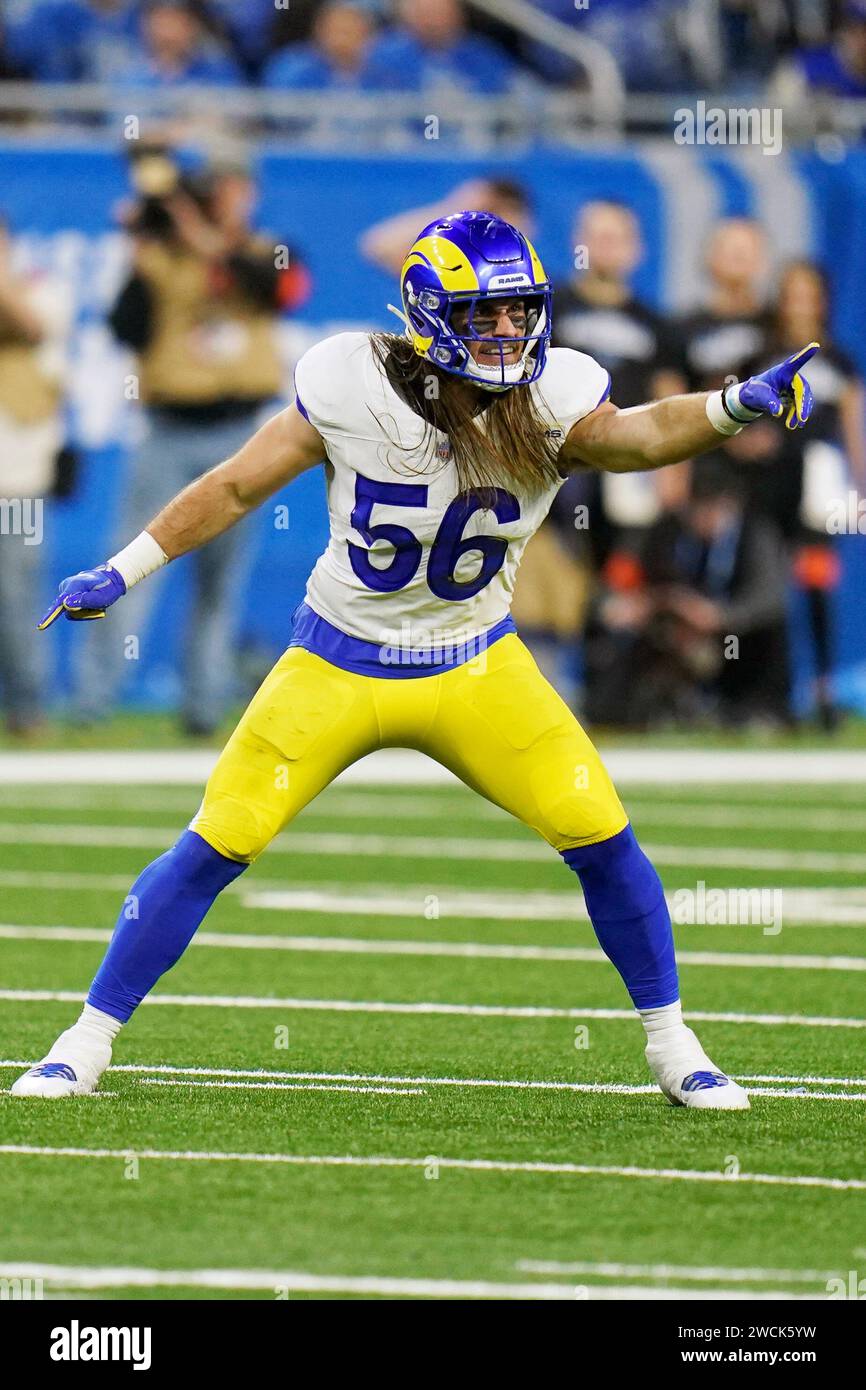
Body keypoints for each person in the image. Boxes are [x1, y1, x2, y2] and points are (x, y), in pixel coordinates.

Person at [14, 211, 819, 1109]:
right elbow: (236, 483)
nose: (510, 331)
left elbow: (638, 435)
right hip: (336, 661)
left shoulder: (549, 395)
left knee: (602, 833)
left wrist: (731, 406)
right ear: (431, 315)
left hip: (476, 664)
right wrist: (123, 570)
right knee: (217, 840)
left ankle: (675, 1047)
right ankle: (81, 1043)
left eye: (519, 312)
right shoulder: (351, 381)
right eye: (487, 314)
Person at [75, 146, 310, 735]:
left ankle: (203, 708)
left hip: (240, 433)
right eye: (218, 192)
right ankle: (92, 700)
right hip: (169, 429)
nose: (229, 202)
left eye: (237, 191)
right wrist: (141, 246)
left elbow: (279, 293)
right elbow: (123, 326)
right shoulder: (161, 257)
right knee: (130, 563)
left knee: (220, 581)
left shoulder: (268, 252)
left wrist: (206, 237)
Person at [769, 259, 866, 729]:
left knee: (816, 588)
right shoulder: (767, 354)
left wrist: (859, 489)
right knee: (771, 589)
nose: (801, 304)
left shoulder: (839, 361)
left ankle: (824, 691)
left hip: (820, 489)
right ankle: (777, 693)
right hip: (771, 487)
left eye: (810, 294)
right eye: (793, 293)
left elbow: (852, 429)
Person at [0, 217, 71, 738]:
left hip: (16, 480)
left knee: (16, 595)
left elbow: (31, 326)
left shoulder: (45, 292)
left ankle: (27, 708)